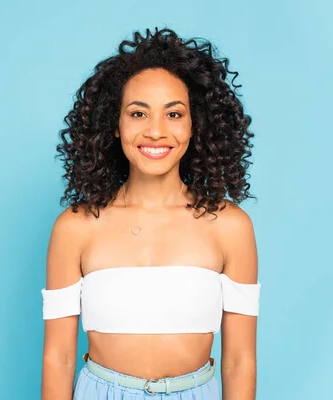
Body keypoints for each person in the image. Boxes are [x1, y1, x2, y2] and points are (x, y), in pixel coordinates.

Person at [40, 28, 260, 400]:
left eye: (174, 113)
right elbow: (58, 357)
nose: (156, 131)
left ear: (195, 124)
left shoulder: (231, 227)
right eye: (138, 113)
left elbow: (239, 360)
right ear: (115, 124)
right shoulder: (75, 227)